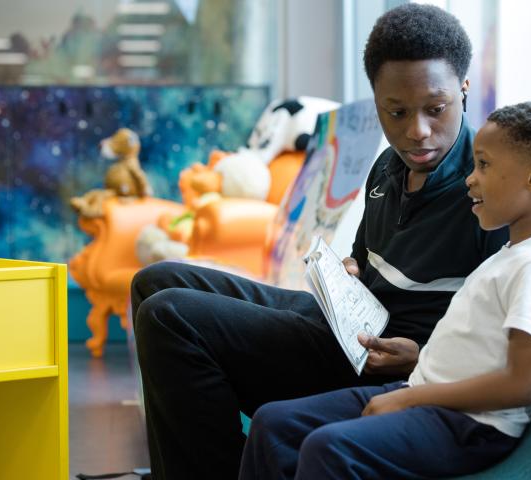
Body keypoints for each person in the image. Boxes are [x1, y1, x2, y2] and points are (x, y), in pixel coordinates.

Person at [131, 4, 508, 479]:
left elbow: (501, 334)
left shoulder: (490, 191)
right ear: (376, 102)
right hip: (348, 327)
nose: (418, 131)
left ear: (464, 90)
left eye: (436, 109)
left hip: (389, 365)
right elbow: (366, 262)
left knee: (170, 317)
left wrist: (421, 355)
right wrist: (349, 272)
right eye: (396, 111)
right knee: (156, 280)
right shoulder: (388, 168)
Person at [238, 101, 531, 479]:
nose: (470, 179)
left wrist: (409, 397)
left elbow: (519, 386)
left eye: (485, 165)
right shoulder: (512, 255)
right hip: (425, 394)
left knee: (329, 449)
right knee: (275, 424)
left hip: (472, 426)